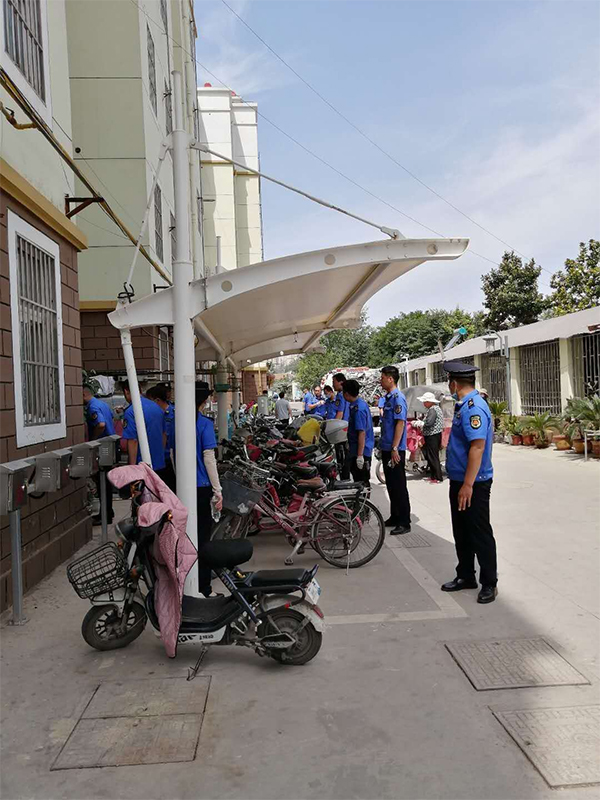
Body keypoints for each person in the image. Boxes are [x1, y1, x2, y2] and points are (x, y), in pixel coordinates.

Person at [441, 360, 497, 604]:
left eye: (449, 383)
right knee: (461, 531)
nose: (449, 387)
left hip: (474, 482)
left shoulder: (474, 408)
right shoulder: (463, 405)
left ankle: (489, 582)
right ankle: (465, 575)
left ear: (454, 384)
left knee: (479, 532)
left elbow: (477, 447)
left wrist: (468, 485)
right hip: (459, 479)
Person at [195, 381, 223, 598]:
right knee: (203, 540)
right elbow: (209, 459)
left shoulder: (176, 423)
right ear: (204, 400)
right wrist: (218, 490)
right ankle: (203, 587)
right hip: (202, 488)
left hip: (182, 487)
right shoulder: (204, 424)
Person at [379, 366, 411, 535]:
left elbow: (400, 423)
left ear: (390, 379)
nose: (381, 380)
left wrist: (395, 447)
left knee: (399, 485)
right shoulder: (388, 398)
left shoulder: (398, 398)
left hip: (395, 449)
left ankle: (404, 521)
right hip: (387, 447)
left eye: (383, 377)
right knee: (391, 485)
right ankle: (395, 515)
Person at [120, 380, 167, 480]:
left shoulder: (131, 411)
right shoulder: (156, 407)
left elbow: (133, 441)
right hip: (159, 463)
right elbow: (163, 434)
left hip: (142, 465)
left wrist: (132, 468)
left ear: (126, 392)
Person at [83, 384, 116, 524]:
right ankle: (108, 511)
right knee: (106, 482)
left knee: (102, 482)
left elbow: (101, 424)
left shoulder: (92, 407)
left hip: (103, 447)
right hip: (111, 445)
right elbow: (111, 419)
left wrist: (93, 440)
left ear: (83, 395)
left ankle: (105, 515)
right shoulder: (102, 404)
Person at [343, 379, 374, 484]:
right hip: (356, 449)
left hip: (361, 451)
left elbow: (361, 433)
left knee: (362, 482)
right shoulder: (357, 404)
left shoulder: (358, 409)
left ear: (347, 394)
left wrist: (360, 455)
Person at [146, 385, 176, 492]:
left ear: (157, 400)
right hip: (158, 458)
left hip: (169, 458)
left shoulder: (173, 414)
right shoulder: (155, 414)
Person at [418, 391, 444, 484]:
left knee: (433, 456)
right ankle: (433, 476)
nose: (423, 404)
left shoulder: (433, 409)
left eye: (425, 402)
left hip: (433, 435)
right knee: (430, 456)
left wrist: (421, 423)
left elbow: (429, 422)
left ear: (429, 401)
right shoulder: (434, 409)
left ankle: (438, 477)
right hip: (432, 435)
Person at [332, 373, 350, 478]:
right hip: (348, 428)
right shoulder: (348, 393)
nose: (333, 385)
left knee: (341, 457)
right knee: (347, 455)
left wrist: (332, 429)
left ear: (341, 382)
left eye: (334, 382)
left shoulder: (340, 395)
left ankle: (344, 478)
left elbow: (340, 413)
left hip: (341, 430)